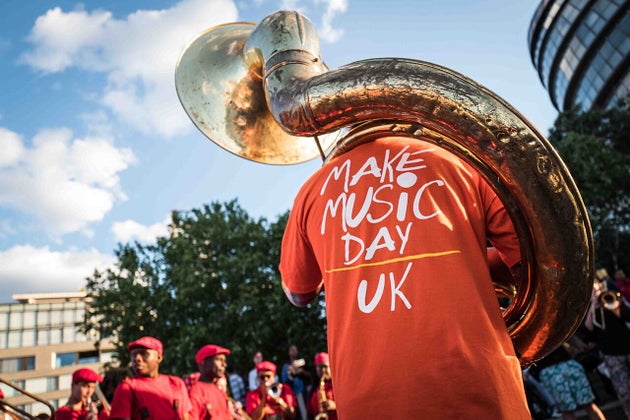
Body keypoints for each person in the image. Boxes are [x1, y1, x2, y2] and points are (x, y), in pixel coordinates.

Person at [279, 137, 530, 418]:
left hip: (367, 403)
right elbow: (532, 263)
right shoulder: (458, 159)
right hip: (482, 388)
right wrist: (465, 260)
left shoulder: (312, 190)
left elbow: (298, 293)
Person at [108, 336, 192, 420]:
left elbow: (185, 417)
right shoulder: (127, 388)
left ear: (159, 357)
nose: (137, 359)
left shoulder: (176, 383)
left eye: (143, 353)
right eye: (133, 355)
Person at [584, 278, 630, 418]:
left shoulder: (611, 298)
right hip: (611, 354)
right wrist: (592, 306)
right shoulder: (591, 309)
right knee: (624, 392)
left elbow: (626, 315)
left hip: (628, 347)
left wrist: (611, 304)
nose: (595, 292)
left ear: (600, 286)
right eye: (591, 290)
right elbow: (589, 329)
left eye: (595, 288)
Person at [533, 343, 604, 420]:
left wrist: (578, 345)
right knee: (567, 410)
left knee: (587, 404)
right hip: (549, 368)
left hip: (563, 362)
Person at [188, 344, 232, 419]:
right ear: (203, 363)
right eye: (219, 359)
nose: (224, 365)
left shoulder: (219, 391)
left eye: (224, 361)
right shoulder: (195, 392)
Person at [280, 345, 310, 420]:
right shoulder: (286, 367)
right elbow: (284, 382)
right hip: (290, 394)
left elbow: (309, 376)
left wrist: (301, 372)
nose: (293, 352)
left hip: (301, 393)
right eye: (291, 350)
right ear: (289, 353)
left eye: (295, 350)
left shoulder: (302, 364)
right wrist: (291, 373)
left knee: (304, 413)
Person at [306, 353, 336, 420]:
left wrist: (335, 406)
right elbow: (309, 413)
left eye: (325, 366)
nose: (323, 370)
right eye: (319, 367)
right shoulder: (313, 390)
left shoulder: (338, 386)